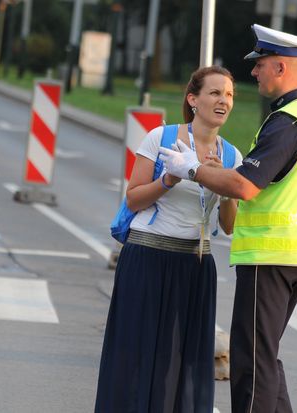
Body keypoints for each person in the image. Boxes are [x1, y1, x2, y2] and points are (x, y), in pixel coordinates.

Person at [160, 24, 297, 413]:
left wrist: (191, 168)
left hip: (270, 253)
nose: (254, 73)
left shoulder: (288, 122)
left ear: (279, 67)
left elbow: (244, 186)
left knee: (251, 362)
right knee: (265, 353)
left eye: (259, 65)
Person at [95, 66, 243, 412]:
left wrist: (224, 184)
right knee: (136, 355)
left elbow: (230, 225)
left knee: (184, 363)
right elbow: (133, 198)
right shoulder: (161, 138)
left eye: (230, 95)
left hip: (195, 264)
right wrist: (171, 179)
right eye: (215, 93)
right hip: (148, 258)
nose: (224, 100)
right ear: (193, 100)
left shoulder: (233, 155)